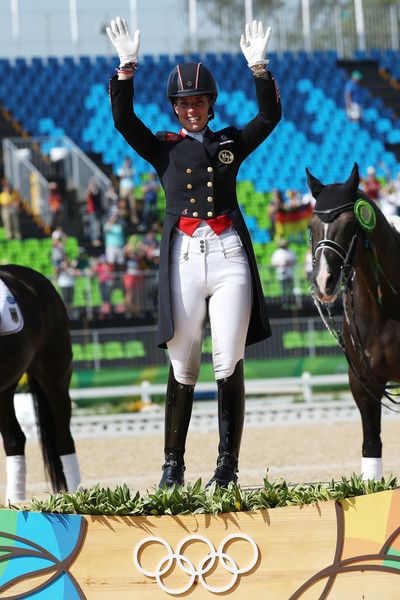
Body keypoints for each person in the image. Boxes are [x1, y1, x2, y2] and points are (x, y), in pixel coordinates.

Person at [107, 16, 281, 488]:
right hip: (184, 255)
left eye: (199, 101)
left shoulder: (229, 142)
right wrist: (126, 71)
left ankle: (227, 466)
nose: (192, 110)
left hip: (228, 256)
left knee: (228, 358)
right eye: (184, 103)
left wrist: (260, 69)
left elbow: (269, 118)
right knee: (183, 362)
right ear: (175, 108)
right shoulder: (163, 149)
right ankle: (173, 466)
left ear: (210, 104)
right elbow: (123, 120)